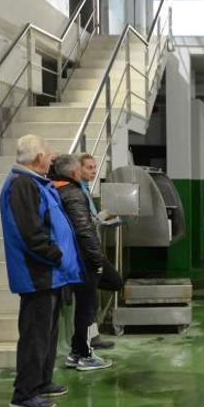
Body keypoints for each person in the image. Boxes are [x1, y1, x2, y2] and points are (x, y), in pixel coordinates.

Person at [0, 134, 82, 407]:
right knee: (35, 335)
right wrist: (55, 255)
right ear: (38, 158)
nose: (51, 159)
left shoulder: (35, 183)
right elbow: (30, 234)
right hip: (39, 273)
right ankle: (24, 394)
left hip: (51, 274)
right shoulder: (22, 184)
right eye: (48, 155)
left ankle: (41, 382)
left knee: (46, 333)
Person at [52, 155, 114, 371]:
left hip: (73, 257)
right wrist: (97, 259)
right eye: (83, 167)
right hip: (83, 258)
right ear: (73, 172)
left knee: (86, 306)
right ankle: (84, 355)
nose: (86, 170)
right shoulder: (73, 193)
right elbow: (83, 229)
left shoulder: (56, 188)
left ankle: (77, 351)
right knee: (87, 308)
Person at [77, 153, 117, 350]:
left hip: (93, 248)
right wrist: (101, 217)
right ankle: (89, 341)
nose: (93, 171)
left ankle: (92, 337)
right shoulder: (76, 192)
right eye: (89, 167)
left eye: (94, 167)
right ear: (77, 168)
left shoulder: (85, 189)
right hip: (87, 252)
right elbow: (83, 224)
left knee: (93, 296)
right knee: (89, 299)